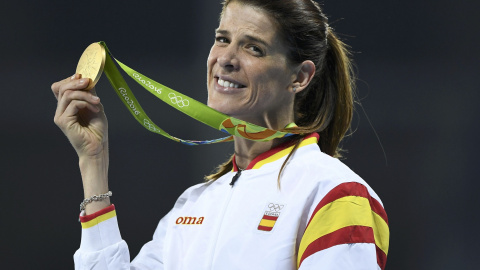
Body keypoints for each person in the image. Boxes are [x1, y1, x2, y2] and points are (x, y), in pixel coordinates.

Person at [52, 0, 389, 269]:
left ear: (300, 77)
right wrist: (93, 161)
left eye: (253, 48)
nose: (226, 59)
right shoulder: (194, 203)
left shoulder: (333, 193)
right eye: (222, 39)